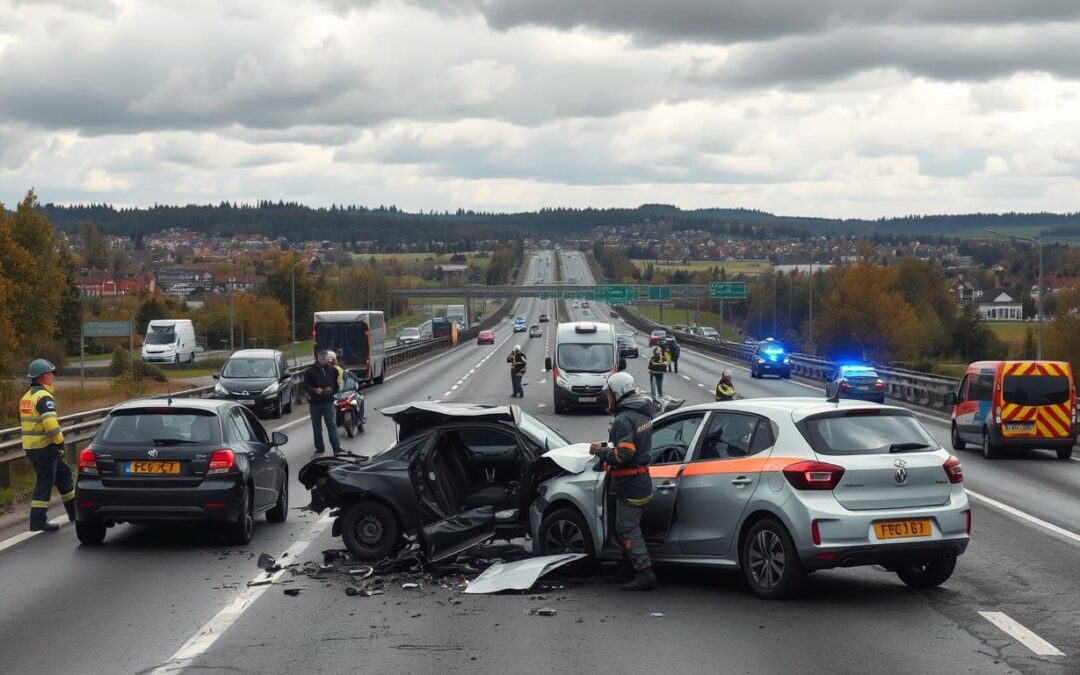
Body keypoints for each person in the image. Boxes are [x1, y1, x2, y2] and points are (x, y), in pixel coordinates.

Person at [589, 371, 658, 591]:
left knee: (627, 529)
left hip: (630, 483)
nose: (607, 397)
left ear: (617, 393)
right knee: (627, 527)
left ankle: (643, 571)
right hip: (641, 479)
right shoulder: (642, 413)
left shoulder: (623, 419)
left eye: (609, 393)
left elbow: (625, 455)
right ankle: (626, 570)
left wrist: (602, 452)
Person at [19, 359, 75, 532]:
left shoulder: (26, 397)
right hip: (45, 447)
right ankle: (38, 521)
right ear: (43, 377)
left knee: (64, 475)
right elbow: (50, 424)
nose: (52, 377)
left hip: (32, 447)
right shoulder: (44, 397)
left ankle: (74, 512)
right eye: (50, 373)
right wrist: (59, 442)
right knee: (45, 482)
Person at [304, 349, 343, 455]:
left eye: (325, 356)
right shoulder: (310, 371)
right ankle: (320, 448)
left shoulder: (332, 370)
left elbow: (336, 385)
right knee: (317, 427)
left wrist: (331, 390)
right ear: (317, 357)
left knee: (331, 424)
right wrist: (315, 390)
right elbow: (305, 386)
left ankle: (337, 448)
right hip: (315, 402)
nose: (324, 358)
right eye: (322, 356)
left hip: (328, 401)